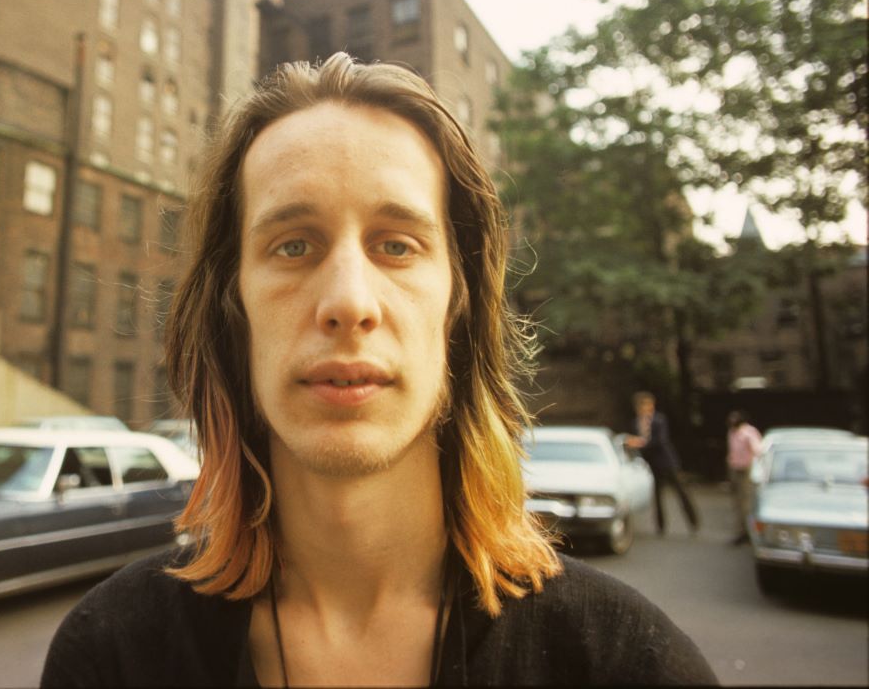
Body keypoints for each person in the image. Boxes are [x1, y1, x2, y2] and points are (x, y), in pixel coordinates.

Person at [42, 54, 716, 686]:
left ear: (457, 303)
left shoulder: (619, 663)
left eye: (397, 245)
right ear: (233, 305)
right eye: (293, 245)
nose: (348, 303)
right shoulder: (112, 655)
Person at [625, 391, 700, 536]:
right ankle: (660, 526)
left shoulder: (659, 420)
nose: (644, 409)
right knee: (657, 495)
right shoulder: (635, 422)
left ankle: (693, 521)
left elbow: (660, 440)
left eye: (647, 405)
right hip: (652, 463)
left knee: (681, 491)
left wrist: (639, 443)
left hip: (667, 461)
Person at [726, 410, 762, 545]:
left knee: (745, 502)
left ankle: (747, 532)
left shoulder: (749, 432)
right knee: (737, 502)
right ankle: (741, 530)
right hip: (735, 468)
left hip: (745, 469)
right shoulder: (731, 432)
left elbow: (758, 450)